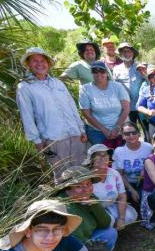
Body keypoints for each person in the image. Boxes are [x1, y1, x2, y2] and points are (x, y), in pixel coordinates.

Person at [16, 48, 88, 180]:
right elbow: (27, 116)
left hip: (74, 134)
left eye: (42, 60)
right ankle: (64, 201)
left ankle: (82, 200)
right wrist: (37, 141)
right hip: (53, 138)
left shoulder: (58, 83)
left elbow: (72, 107)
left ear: (48, 63)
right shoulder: (25, 87)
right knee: (62, 177)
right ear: (28, 64)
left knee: (81, 173)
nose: (39, 64)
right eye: (34, 61)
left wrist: (81, 128)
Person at [56, 166, 118, 251]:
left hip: (85, 241)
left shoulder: (88, 196)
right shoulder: (64, 207)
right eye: (79, 186)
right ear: (67, 189)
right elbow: (77, 241)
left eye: (88, 184)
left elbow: (105, 223)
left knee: (110, 233)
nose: (86, 189)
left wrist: (95, 205)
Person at [78, 61, 131, 149]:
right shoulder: (85, 89)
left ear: (107, 73)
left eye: (102, 71)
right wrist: (104, 130)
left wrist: (117, 128)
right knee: (101, 156)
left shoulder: (117, 86)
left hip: (120, 127)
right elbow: (86, 113)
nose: (99, 74)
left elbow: (126, 109)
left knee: (123, 154)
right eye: (95, 71)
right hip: (97, 130)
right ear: (92, 73)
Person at [86, 144, 137, 228]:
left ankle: (114, 226)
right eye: (98, 155)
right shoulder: (87, 177)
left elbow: (122, 196)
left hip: (111, 205)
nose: (103, 157)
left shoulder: (114, 173)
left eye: (105, 154)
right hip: (95, 211)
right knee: (109, 222)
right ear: (91, 159)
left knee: (130, 216)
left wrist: (121, 218)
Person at [112, 122, 152, 206]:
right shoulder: (119, 151)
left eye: (134, 133)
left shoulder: (148, 147)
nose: (131, 136)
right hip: (127, 184)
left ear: (139, 133)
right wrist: (131, 190)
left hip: (146, 182)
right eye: (127, 134)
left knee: (143, 197)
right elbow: (120, 174)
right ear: (123, 136)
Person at [112, 42, 145, 120]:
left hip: (141, 106)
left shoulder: (140, 67)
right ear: (120, 54)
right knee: (129, 130)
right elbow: (115, 87)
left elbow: (149, 82)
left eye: (128, 51)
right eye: (123, 51)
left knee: (146, 129)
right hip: (126, 107)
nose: (126, 54)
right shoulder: (116, 69)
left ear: (133, 53)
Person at [135, 65, 155, 141]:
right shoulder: (146, 90)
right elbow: (138, 106)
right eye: (151, 76)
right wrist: (148, 112)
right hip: (154, 123)